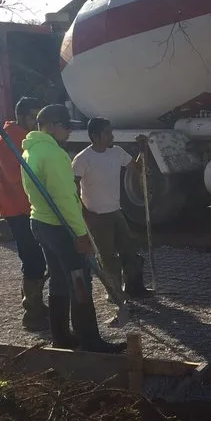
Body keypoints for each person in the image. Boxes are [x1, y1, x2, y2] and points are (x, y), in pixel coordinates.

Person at [21, 104, 124, 353]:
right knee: (79, 280)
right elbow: (65, 198)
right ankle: (89, 338)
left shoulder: (30, 151)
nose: (69, 132)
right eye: (66, 127)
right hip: (61, 227)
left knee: (58, 279)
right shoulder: (54, 154)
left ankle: (61, 336)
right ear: (53, 125)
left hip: (40, 222)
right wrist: (81, 234)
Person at [72, 117, 151, 302]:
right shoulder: (83, 159)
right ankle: (114, 292)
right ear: (95, 136)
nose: (111, 135)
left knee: (130, 252)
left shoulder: (117, 152)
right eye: (107, 132)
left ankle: (134, 288)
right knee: (107, 258)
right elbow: (72, 187)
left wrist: (143, 149)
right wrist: (84, 213)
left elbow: (138, 168)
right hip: (96, 216)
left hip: (116, 212)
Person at [0, 96, 48, 331]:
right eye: (33, 117)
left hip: (25, 207)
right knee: (32, 258)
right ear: (23, 116)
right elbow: (18, 178)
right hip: (18, 209)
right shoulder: (10, 140)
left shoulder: (19, 137)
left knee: (37, 256)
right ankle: (32, 313)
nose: (37, 122)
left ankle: (35, 303)